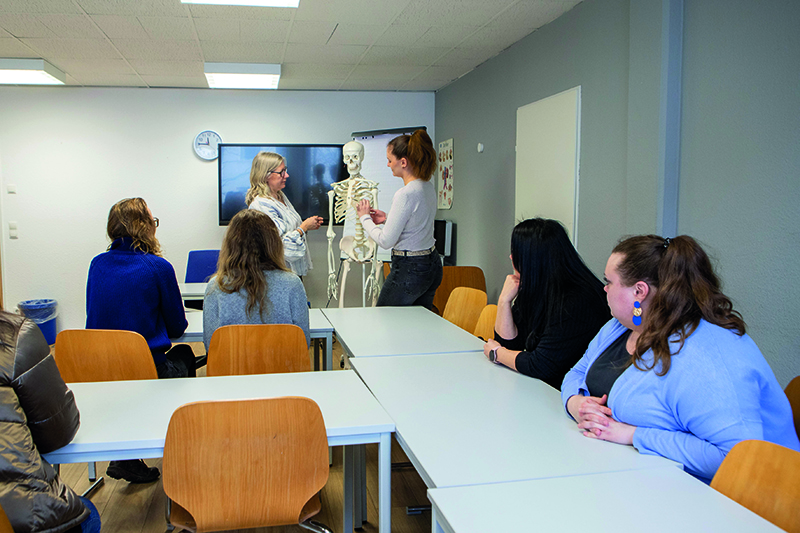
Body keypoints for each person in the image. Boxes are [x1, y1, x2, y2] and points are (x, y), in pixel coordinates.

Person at [561, 235, 800, 482]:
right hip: (628, 474)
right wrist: (576, 403)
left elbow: (734, 458)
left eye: (608, 282)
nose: (604, 289)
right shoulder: (620, 327)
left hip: (737, 500)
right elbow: (576, 373)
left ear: (639, 291)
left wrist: (634, 435)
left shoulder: (705, 357)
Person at [86, 197, 192, 483]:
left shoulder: (97, 264)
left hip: (98, 371)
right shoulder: (157, 267)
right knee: (184, 356)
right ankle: (184, 448)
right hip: (146, 371)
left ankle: (127, 456)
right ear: (145, 228)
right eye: (153, 222)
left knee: (127, 377)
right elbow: (177, 327)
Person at [0, 313, 101, 533]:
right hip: (25, 516)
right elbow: (59, 432)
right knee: (89, 514)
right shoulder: (14, 336)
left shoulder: (97, 274)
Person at [482, 218, 610, 390]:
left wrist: (496, 354)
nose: (511, 257)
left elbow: (540, 365)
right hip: (541, 388)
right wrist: (504, 301)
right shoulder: (537, 286)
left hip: (566, 394)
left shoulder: (576, 300)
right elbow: (510, 345)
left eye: (516, 252)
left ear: (532, 259)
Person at [355, 129, 443, 309]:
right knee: (417, 326)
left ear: (403, 162)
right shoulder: (427, 187)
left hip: (409, 269)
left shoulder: (405, 193)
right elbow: (416, 224)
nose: (388, 165)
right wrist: (388, 219)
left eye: (389, 160)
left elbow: (385, 241)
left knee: (384, 318)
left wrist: (365, 218)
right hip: (431, 264)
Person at [203, 209, 310, 351]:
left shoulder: (217, 286)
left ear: (230, 244)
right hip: (283, 371)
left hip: (232, 371)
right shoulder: (292, 283)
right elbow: (304, 342)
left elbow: (210, 346)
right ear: (274, 243)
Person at [246, 151, 323, 277]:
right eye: (281, 172)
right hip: (277, 276)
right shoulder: (262, 205)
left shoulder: (280, 196)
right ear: (265, 175)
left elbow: (289, 229)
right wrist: (304, 227)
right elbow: (282, 247)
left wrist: (307, 226)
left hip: (291, 273)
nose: (286, 175)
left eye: (285, 170)